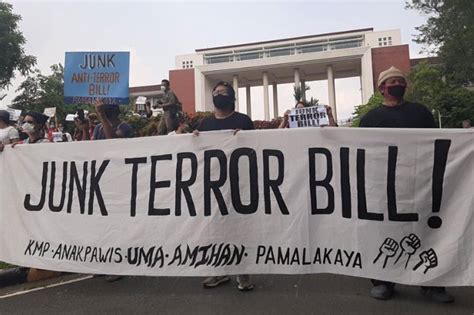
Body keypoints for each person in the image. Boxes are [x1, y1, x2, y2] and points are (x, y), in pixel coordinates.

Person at [360, 66, 454, 303]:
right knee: (385, 232)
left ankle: (432, 282)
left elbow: (437, 142)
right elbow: (359, 150)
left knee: (427, 229)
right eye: (392, 81)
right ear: (382, 88)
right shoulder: (370, 119)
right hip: (385, 186)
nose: (397, 85)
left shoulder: (420, 112)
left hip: (420, 181)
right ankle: (383, 281)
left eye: (400, 81)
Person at [194, 81, 254, 291]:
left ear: (231, 97)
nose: (218, 95)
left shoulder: (243, 121)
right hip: (214, 186)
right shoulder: (204, 124)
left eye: (222, 92)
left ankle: (243, 272)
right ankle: (218, 271)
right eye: (215, 92)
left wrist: (245, 138)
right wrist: (192, 139)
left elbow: (255, 149)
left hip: (239, 184)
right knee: (215, 229)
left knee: (240, 228)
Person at [75, 100, 133, 282]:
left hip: (120, 181)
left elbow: (112, 143)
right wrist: (85, 130)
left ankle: (120, 264)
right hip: (101, 180)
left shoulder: (125, 127)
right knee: (102, 224)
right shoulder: (99, 127)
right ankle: (105, 262)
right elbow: (89, 149)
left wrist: (100, 115)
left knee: (117, 225)